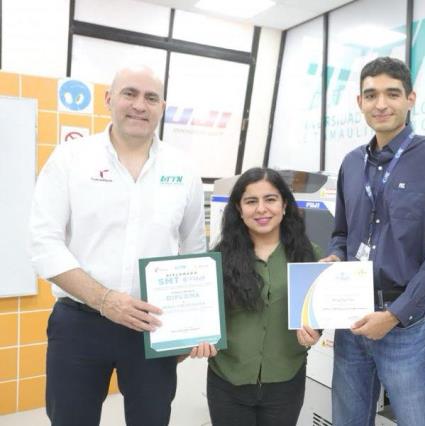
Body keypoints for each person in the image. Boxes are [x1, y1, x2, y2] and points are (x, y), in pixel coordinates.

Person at [29, 65, 212, 426]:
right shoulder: (70, 159)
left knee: (152, 420)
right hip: (79, 323)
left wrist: (190, 328)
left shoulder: (183, 170)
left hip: (151, 326)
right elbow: (43, 242)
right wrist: (104, 299)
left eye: (151, 98)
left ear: (162, 107)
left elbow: (194, 252)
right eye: (130, 93)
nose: (140, 105)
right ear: (109, 99)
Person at [323, 56, 425, 426]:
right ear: (360, 102)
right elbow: (341, 234)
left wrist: (394, 314)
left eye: (392, 94)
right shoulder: (351, 163)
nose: (381, 104)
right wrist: (335, 257)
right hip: (352, 318)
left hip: (408, 324)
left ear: (410, 99)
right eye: (371, 95)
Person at [206, 167, 322, 426]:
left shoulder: (309, 255)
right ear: (239, 209)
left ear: (284, 205)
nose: (261, 209)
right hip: (228, 381)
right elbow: (204, 316)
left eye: (270, 199)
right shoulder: (217, 259)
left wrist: (315, 331)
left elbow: (317, 315)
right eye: (251, 201)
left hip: (285, 381)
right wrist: (199, 337)